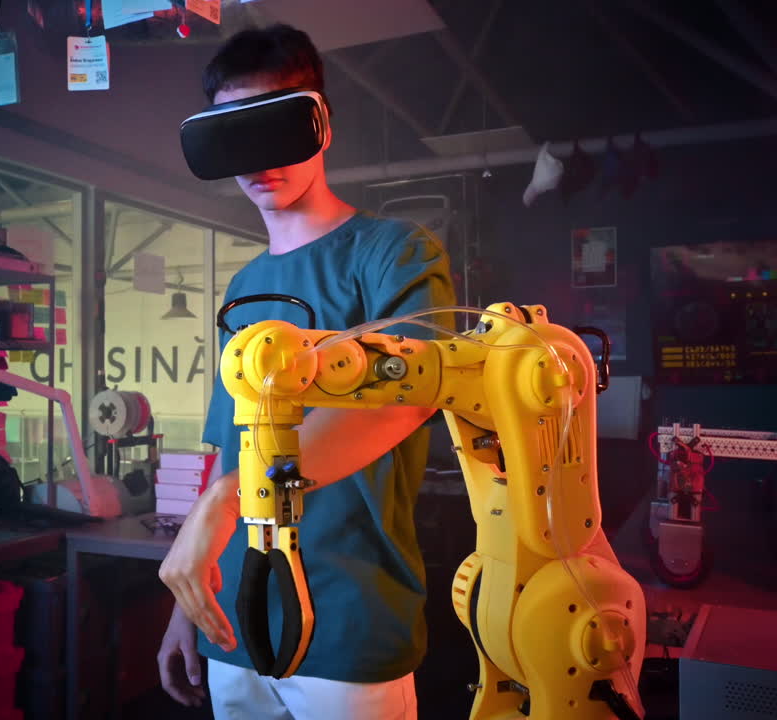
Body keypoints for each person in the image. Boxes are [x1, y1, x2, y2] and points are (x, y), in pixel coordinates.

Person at [156, 23, 456, 720]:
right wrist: (188, 595)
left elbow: (402, 401)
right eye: (237, 134)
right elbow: (227, 444)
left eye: (276, 126)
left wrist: (228, 499)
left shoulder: (393, 253)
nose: (259, 159)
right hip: (233, 624)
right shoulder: (242, 287)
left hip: (348, 625)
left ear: (320, 125)